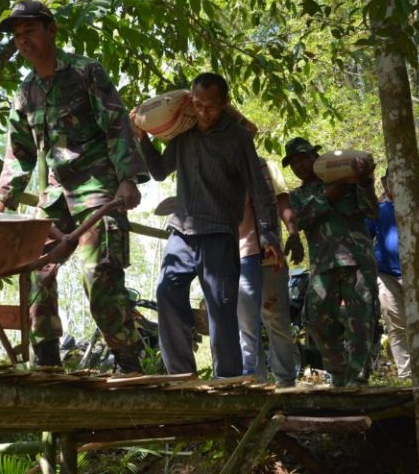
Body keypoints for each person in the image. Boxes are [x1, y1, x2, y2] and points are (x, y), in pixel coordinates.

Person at [0, 0, 150, 373]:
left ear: (51, 30)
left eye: (29, 30)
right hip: (56, 193)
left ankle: (127, 358)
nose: (22, 40)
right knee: (35, 267)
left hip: (97, 186)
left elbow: (116, 125)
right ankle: (46, 359)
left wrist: (128, 179)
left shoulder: (84, 72)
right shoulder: (26, 91)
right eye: (16, 35)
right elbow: (19, 152)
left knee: (99, 276)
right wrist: (1, 202)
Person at [134, 73, 283, 378]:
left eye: (211, 107)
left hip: (219, 233)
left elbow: (259, 188)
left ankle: (227, 379)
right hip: (182, 231)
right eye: (198, 105)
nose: (203, 113)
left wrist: (269, 236)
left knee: (221, 307)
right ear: (191, 100)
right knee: (167, 292)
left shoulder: (238, 138)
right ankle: (180, 376)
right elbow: (161, 171)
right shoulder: (184, 131)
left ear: (224, 104)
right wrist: (142, 138)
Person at [283, 137, 379, 387]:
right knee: (315, 320)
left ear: (316, 157)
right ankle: (338, 369)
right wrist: (328, 196)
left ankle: (358, 376)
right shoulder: (298, 195)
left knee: (361, 318)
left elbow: (371, 210)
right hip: (323, 264)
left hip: (357, 260)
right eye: (294, 162)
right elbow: (300, 219)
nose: (300, 165)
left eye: (304, 158)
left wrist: (365, 181)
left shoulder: (347, 182)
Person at [365, 170, 419, 379]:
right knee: (396, 326)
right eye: (390, 181)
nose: (394, 185)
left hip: (417, 275)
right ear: (385, 183)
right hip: (386, 277)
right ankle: (406, 376)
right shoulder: (378, 210)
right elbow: (364, 241)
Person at [237, 158, 304, 387]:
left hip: (269, 256)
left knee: (277, 320)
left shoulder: (266, 166)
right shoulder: (218, 164)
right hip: (236, 257)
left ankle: (286, 381)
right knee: (246, 325)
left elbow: (282, 202)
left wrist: (293, 234)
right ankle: (256, 383)